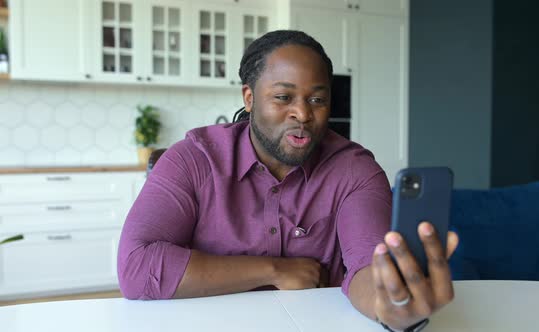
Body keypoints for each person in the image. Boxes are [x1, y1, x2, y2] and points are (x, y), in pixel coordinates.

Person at [118, 30, 459, 332]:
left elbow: (367, 268)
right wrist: (274, 270)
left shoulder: (355, 171)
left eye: (317, 99)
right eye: (283, 97)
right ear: (249, 98)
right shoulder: (193, 160)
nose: (303, 114)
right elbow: (137, 266)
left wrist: (390, 307)